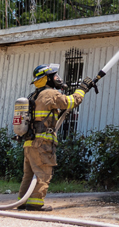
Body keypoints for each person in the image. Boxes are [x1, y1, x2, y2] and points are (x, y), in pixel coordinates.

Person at [18, 64, 85, 211]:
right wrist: (82, 90)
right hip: (43, 144)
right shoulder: (50, 94)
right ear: (47, 79)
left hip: (29, 143)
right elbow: (69, 102)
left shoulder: (34, 95)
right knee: (43, 174)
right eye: (55, 76)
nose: (58, 78)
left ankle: (21, 201)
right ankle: (35, 203)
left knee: (28, 176)